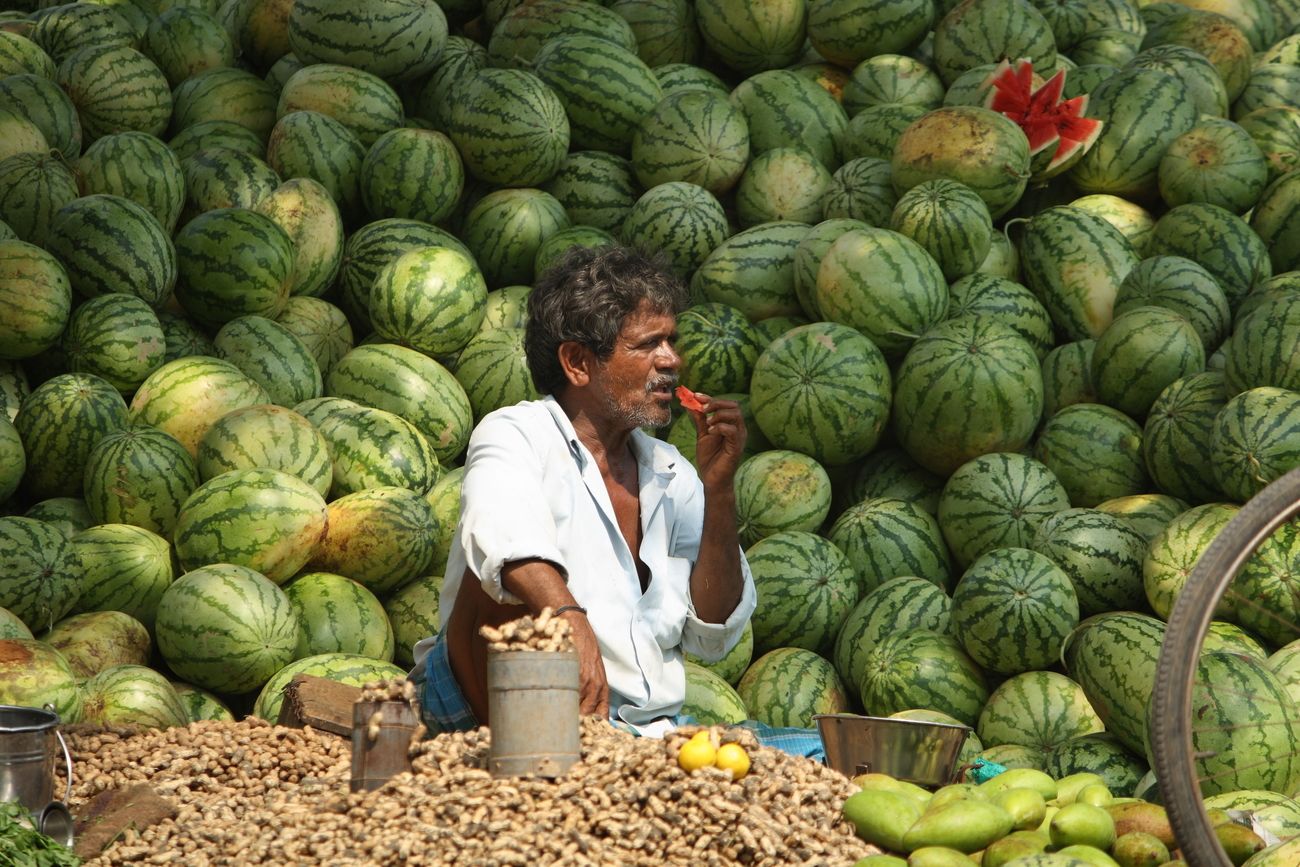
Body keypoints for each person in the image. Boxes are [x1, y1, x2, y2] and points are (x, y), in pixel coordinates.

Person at [410, 245, 756, 736]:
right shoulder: (516, 433)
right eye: (647, 345)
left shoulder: (672, 473)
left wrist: (719, 490)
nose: (672, 360)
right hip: (489, 709)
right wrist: (571, 620)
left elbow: (712, 632)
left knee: (822, 756)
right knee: (499, 581)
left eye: (672, 342)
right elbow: (504, 543)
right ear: (577, 362)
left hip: (636, 732)